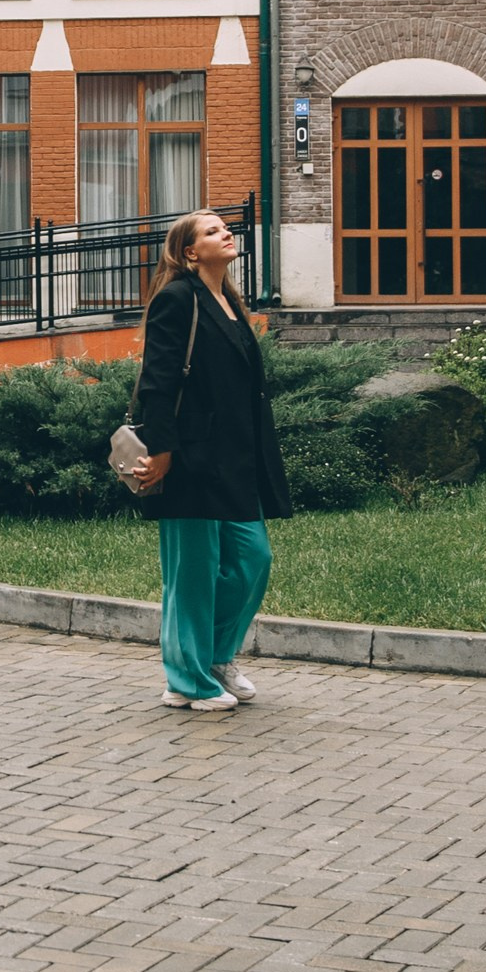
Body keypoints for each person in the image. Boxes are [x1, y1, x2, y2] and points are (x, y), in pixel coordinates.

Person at [128, 208, 292, 711]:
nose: (226, 233)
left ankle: (216, 657)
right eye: (212, 230)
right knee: (192, 575)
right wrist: (161, 452)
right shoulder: (176, 298)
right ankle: (186, 679)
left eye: (225, 227)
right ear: (189, 251)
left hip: (236, 459)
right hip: (189, 459)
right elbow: (159, 380)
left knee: (251, 560)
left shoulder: (229, 302)